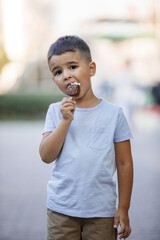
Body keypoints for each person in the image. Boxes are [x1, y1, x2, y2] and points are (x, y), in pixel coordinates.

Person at [39, 35, 134, 240]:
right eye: (58, 72)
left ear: (91, 69)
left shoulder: (114, 114)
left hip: (101, 211)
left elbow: (125, 163)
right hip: (61, 209)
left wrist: (123, 208)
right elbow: (46, 156)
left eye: (72, 67)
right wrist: (65, 121)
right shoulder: (55, 112)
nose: (66, 75)